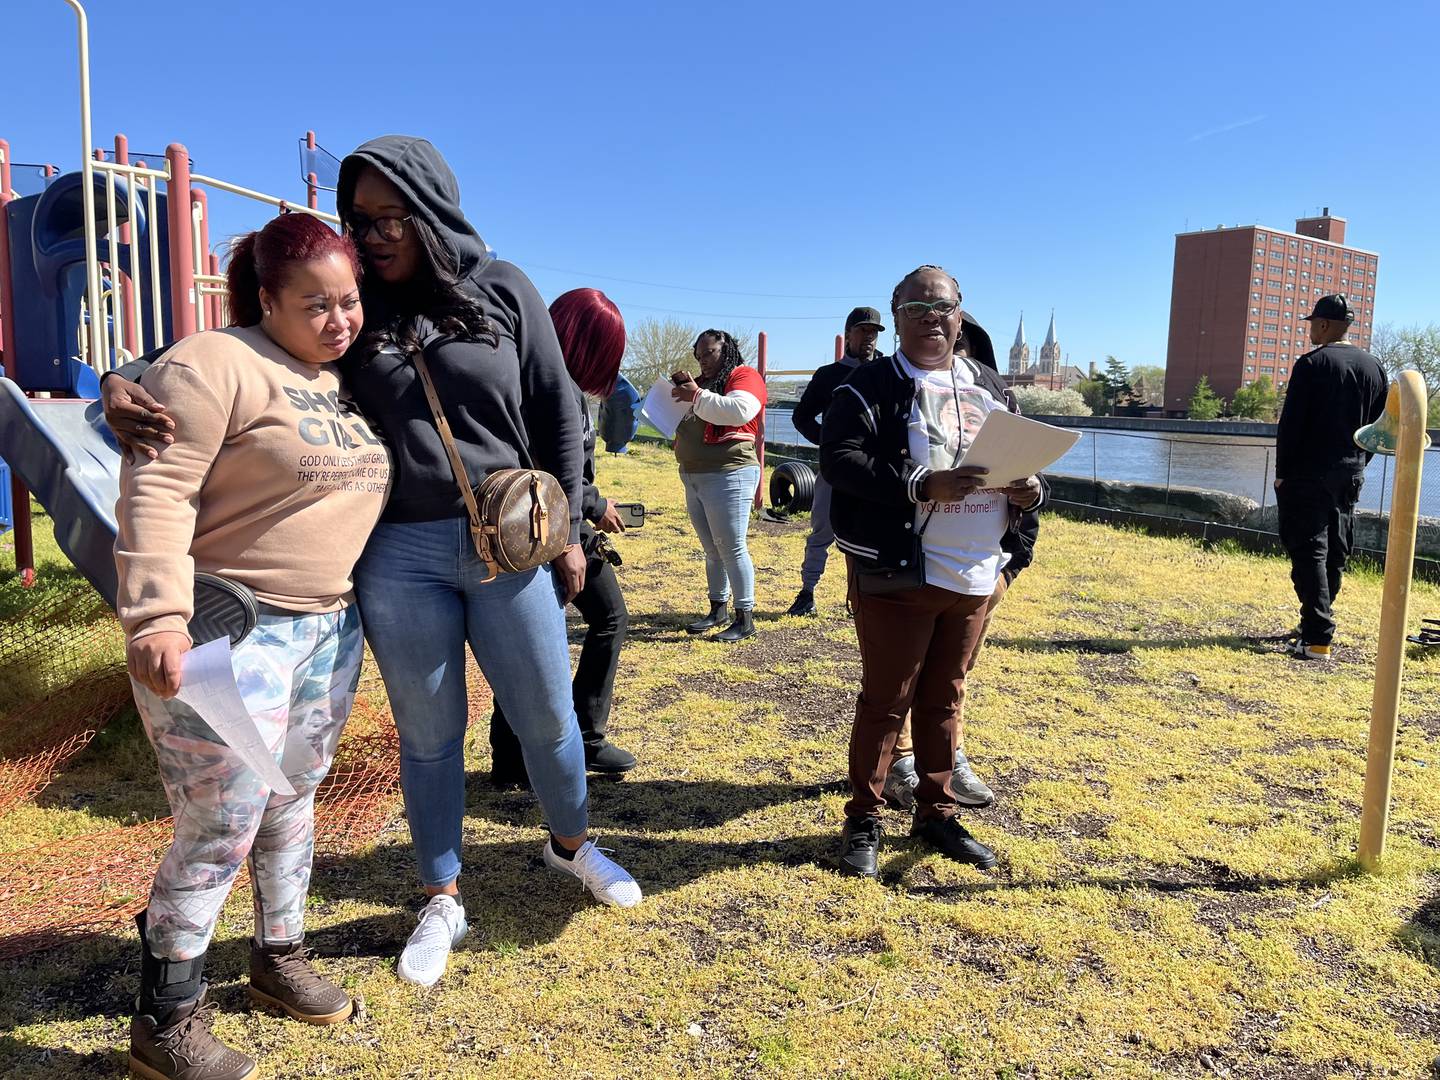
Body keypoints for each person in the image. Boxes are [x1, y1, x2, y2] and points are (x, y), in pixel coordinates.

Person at [102, 136, 643, 994]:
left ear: (434, 206)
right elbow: (233, 350)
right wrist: (118, 378)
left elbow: (557, 410)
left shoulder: (503, 289)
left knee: (546, 717)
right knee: (429, 738)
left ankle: (570, 842)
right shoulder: (350, 311)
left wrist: (572, 525)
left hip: (507, 542)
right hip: (397, 553)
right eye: (363, 220)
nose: (380, 233)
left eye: (394, 215)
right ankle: (440, 894)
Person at [116, 214, 387, 1080]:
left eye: (349, 301)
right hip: (226, 629)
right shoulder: (214, 363)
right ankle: (166, 1021)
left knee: (293, 800)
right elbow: (157, 487)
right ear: (266, 300)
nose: (339, 319)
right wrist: (156, 614)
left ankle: (278, 956)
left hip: (326, 628)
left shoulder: (345, 377)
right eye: (316, 304)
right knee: (221, 821)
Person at [821, 265, 1043, 879]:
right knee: (886, 701)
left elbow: (1027, 461)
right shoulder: (868, 386)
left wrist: (1030, 496)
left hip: (976, 575)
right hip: (900, 574)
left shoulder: (990, 385)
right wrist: (921, 484)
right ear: (896, 317)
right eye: (916, 306)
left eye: (941, 306)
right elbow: (840, 460)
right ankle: (863, 818)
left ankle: (937, 813)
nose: (930, 317)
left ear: (960, 315)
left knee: (946, 699)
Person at [881, 322, 1046, 811]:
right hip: (909, 567)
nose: (951, 361)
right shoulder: (896, 400)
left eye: (964, 351)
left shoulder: (996, 408)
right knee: (902, 674)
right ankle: (901, 761)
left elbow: (1026, 501)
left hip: (982, 570)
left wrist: (1009, 570)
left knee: (954, 674)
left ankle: (948, 758)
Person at [490, 287, 637, 783]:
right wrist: (584, 518)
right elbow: (544, 466)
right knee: (554, 635)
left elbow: (572, 469)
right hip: (542, 532)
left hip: (561, 526)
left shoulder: (561, 383)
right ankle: (532, 752)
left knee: (587, 623)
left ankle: (559, 744)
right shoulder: (547, 386)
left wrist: (591, 505)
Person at [1274, 293, 1387, 661]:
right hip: (1350, 473)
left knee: (1309, 552)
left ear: (1323, 325)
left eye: (1312, 324)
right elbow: (1378, 429)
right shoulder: (1374, 367)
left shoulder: (1311, 364)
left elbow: (1291, 426)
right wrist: (1358, 463)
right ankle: (1313, 625)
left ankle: (1318, 635)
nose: (1310, 330)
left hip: (1307, 473)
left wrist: (1282, 473)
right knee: (1335, 552)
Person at [784, 306, 884, 617]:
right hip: (836, 469)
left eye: (874, 332)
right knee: (822, 530)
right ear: (848, 334)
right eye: (863, 330)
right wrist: (828, 443)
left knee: (874, 533)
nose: (869, 337)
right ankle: (807, 593)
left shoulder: (889, 371)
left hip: (875, 470)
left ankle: (866, 598)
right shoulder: (829, 375)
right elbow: (801, 416)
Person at [670, 329, 768, 643]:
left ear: (726, 350)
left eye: (709, 353)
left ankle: (745, 617)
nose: (704, 360)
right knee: (712, 550)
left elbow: (740, 410)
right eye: (699, 356)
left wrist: (695, 395)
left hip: (730, 473)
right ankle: (718, 609)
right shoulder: (705, 384)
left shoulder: (744, 375)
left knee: (732, 547)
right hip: (695, 475)